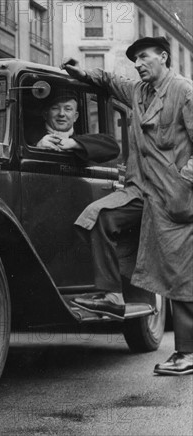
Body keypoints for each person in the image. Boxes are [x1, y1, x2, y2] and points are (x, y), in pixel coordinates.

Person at [64, 36, 193, 376]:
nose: (138, 64)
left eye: (144, 57)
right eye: (134, 59)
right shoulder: (139, 92)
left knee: (178, 274)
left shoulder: (183, 91)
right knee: (99, 217)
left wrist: (183, 181)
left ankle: (187, 354)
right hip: (140, 190)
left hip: (174, 199)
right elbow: (110, 81)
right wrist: (83, 73)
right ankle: (111, 296)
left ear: (163, 57)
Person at [28, 89, 120, 163]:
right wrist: (37, 147)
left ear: (75, 116)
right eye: (55, 108)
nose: (61, 114)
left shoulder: (79, 141)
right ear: (45, 114)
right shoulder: (29, 138)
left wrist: (72, 143)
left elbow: (113, 147)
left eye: (68, 109)